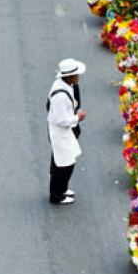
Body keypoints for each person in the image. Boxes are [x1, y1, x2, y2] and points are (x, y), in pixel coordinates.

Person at [46, 58, 86, 205]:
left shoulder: (66, 85)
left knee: (67, 160)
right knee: (62, 163)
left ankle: (62, 189)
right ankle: (56, 195)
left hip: (64, 131)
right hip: (60, 131)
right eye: (76, 74)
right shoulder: (61, 96)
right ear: (69, 76)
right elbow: (60, 119)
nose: (78, 77)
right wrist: (77, 118)